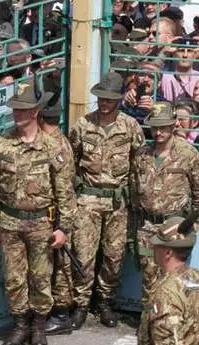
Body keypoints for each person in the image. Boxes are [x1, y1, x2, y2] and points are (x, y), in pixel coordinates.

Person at [0, 82, 76, 345]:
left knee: (41, 277)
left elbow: (65, 191)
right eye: (14, 110)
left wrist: (64, 228)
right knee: (14, 278)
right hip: (9, 222)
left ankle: (38, 326)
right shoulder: (3, 143)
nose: (16, 114)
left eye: (22, 110)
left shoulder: (53, 146)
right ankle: (20, 324)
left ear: (35, 112)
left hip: (41, 224)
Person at [69, 71, 145, 329]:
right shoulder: (83, 126)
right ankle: (80, 303)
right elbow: (71, 162)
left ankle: (105, 300)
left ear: (120, 99)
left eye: (109, 99)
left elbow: (139, 162)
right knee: (84, 255)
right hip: (88, 200)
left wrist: (136, 198)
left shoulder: (130, 126)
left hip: (117, 202)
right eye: (101, 97)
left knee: (114, 256)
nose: (104, 102)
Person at [131, 102, 199, 305]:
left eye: (163, 127)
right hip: (147, 227)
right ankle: (150, 324)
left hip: (175, 227)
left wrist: (193, 222)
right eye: (155, 127)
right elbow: (134, 189)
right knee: (149, 280)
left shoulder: (188, 154)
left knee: (174, 280)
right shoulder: (142, 155)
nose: (158, 132)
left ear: (174, 125)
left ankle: (171, 322)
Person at [136, 216, 199, 345]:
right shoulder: (194, 276)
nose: (153, 248)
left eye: (157, 245)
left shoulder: (165, 293)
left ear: (168, 252)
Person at [38, 93, 78, 336]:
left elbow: (63, 188)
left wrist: (62, 222)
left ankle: (61, 314)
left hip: (57, 213)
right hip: (58, 212)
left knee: (60, 265)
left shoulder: (54, 144)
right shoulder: (58, 140)